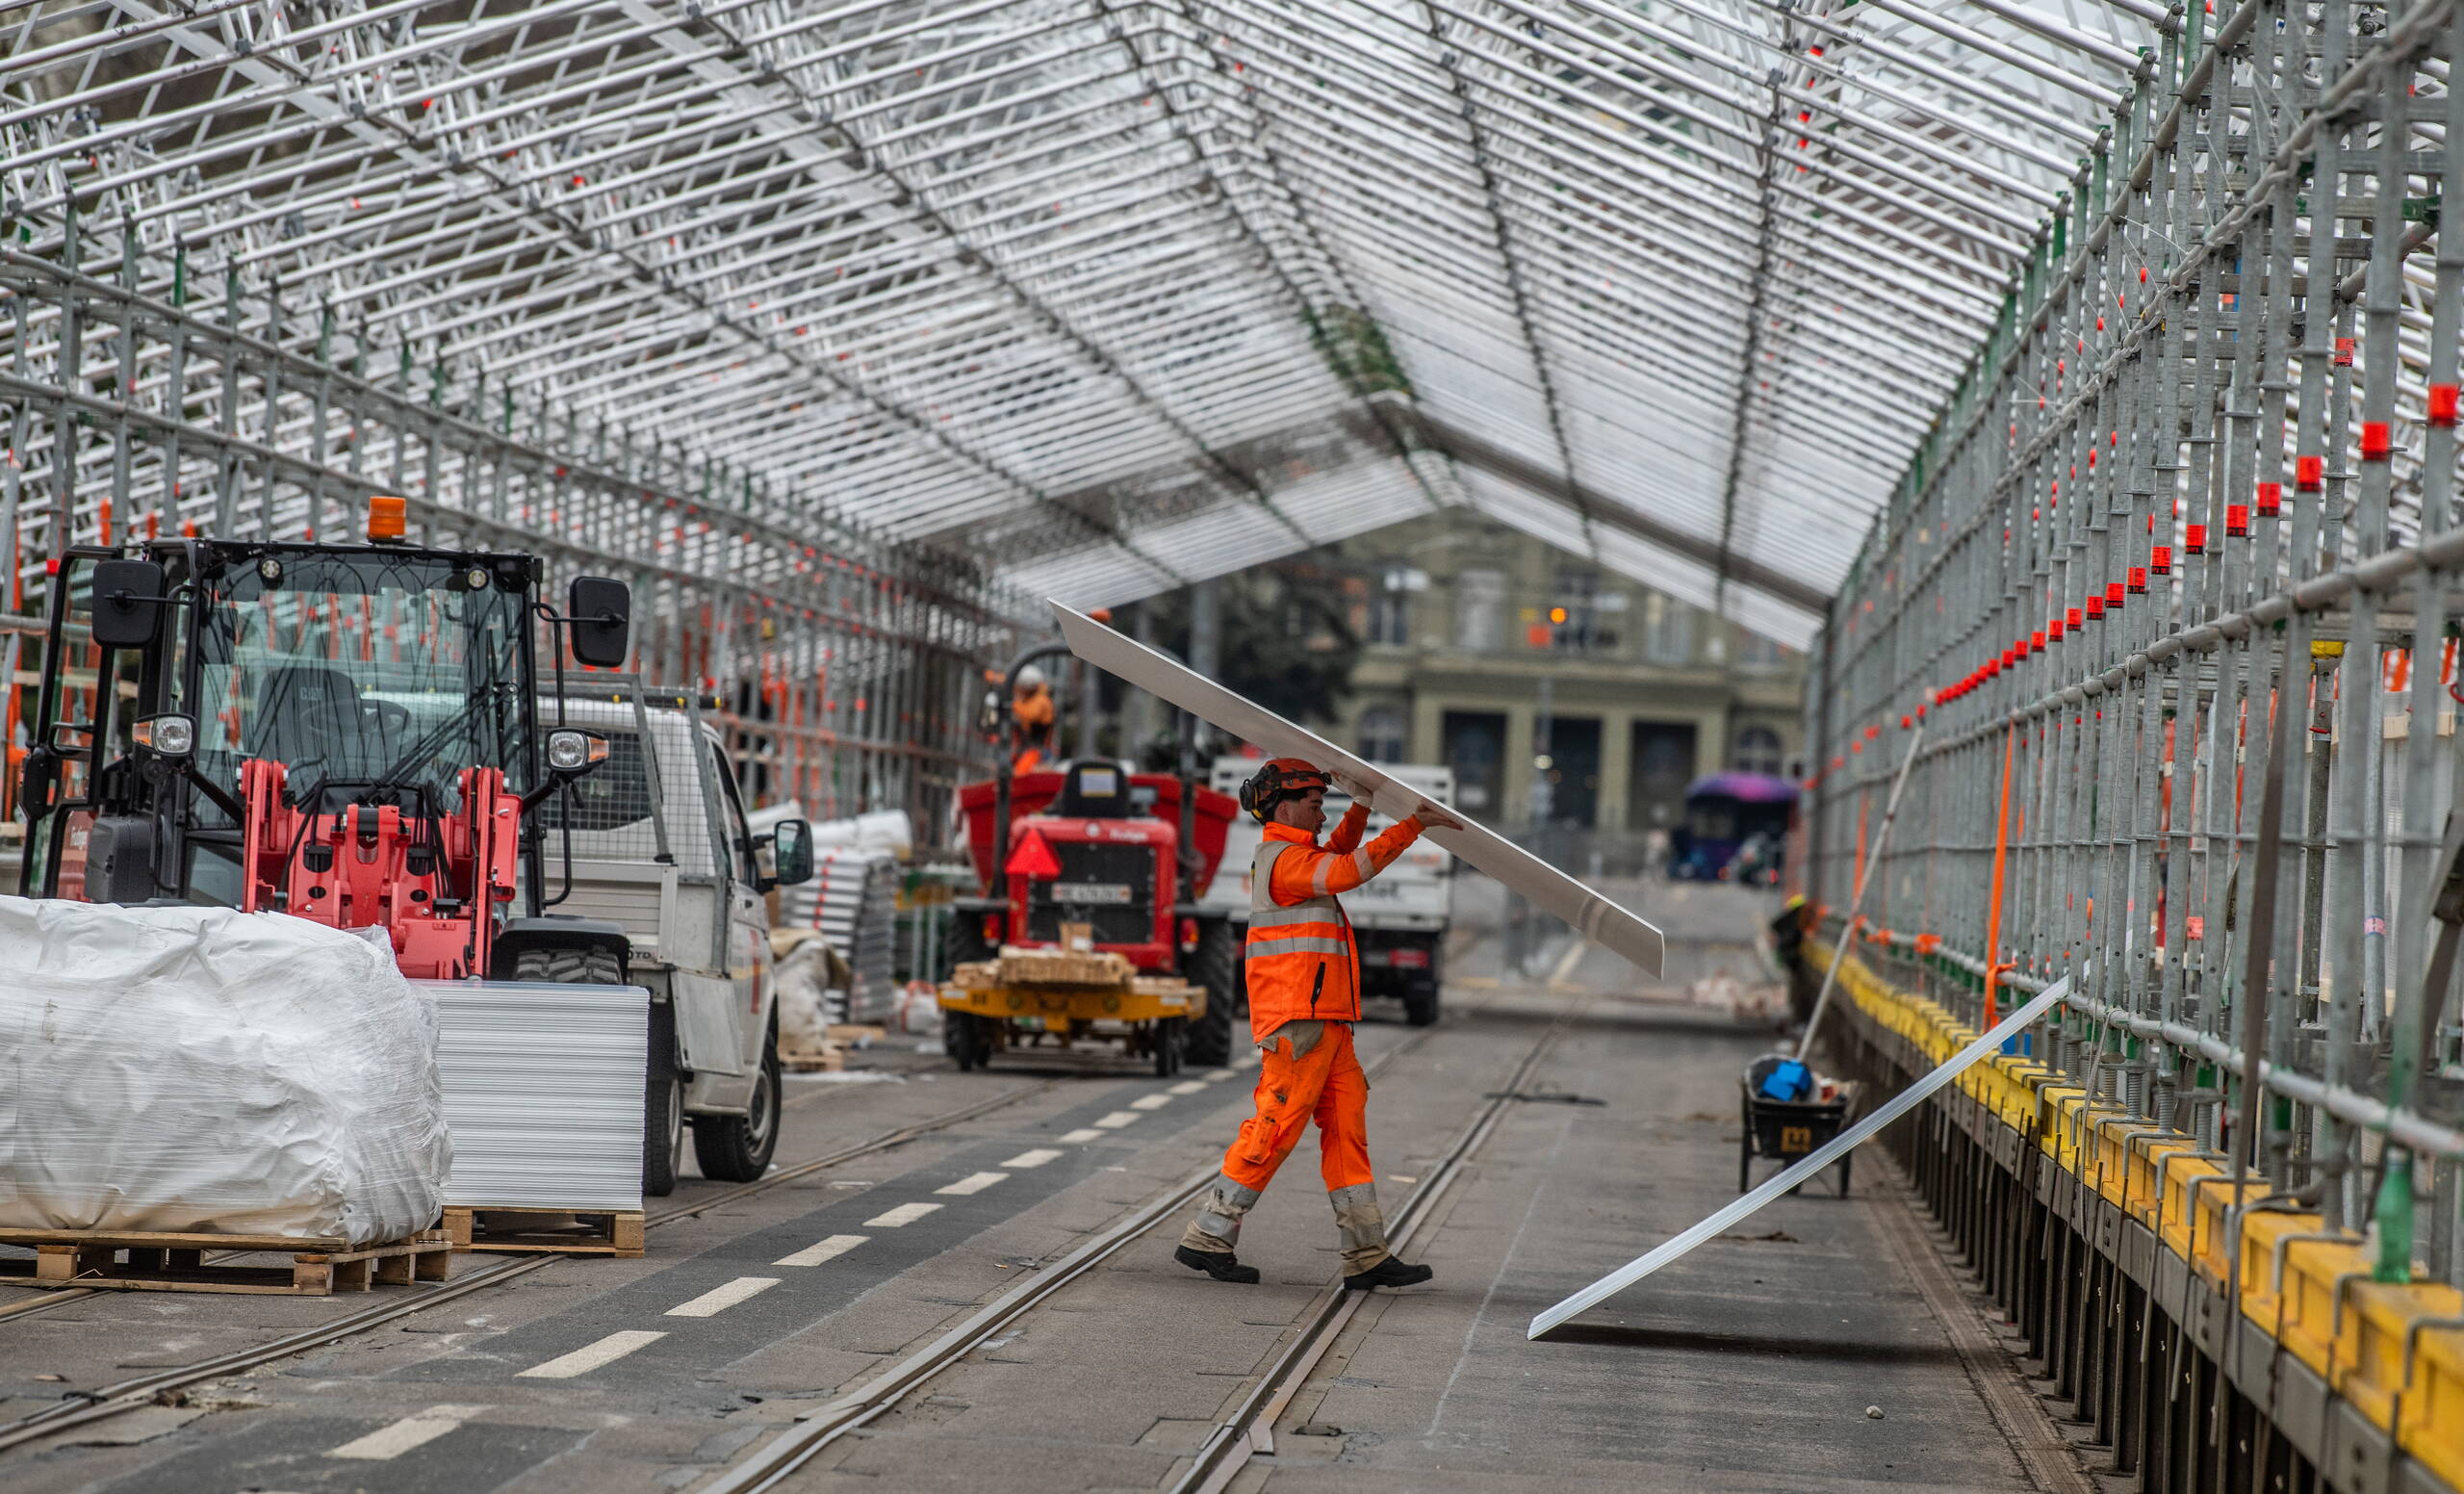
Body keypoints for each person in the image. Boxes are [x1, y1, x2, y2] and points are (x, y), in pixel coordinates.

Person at [1175, 758, 1464, 1290]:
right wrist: (1413, 824)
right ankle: (1208, 1236)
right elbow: (1347, 870)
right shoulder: (1284, 861)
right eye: (1315, 805)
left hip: (1328, 1023)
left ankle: (1366, 1254)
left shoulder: (1300, 854)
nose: (1323, 814)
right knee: (1275, 1128)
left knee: (1348, 1134)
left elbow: (1335, 854)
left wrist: (1362, 805)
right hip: (1298, 1022)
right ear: (1285, 807)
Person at [1008, 663, 1054, 775]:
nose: (1017, 690)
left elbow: (1030, 714)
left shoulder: (1041, 701)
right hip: (1026, 749)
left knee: (1019, 775)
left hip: (1037, 751)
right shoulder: (1032, 699)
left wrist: (1013, 704)